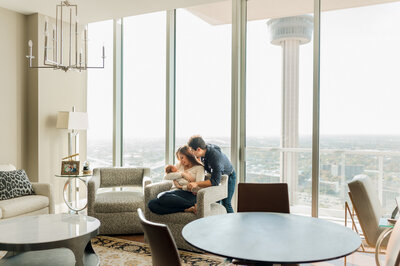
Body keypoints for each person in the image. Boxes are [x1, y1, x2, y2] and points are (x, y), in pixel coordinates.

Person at [148, 145, 205, 215]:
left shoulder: (199, 168)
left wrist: (181, 187)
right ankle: (187, 209)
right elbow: (166, 177)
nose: (181, 160)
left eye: (182, 157)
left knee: (162, 196)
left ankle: (192, 205)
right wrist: (182, 174)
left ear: (188, 155)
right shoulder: (180, 165)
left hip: (190, 195)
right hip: (176, 193)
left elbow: (198, 187)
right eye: (179, 158)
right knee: (152, 204)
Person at [187, 135, 236, 213]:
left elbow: (215, 181)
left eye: (192, 150)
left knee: (226, 203)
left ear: (198, 149)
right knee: (215, 202)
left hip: (229, 177)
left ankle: (233, 224)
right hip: (218, 176)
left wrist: (196, 184)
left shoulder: (215, 158)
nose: (192, 153)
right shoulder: (204, 150)